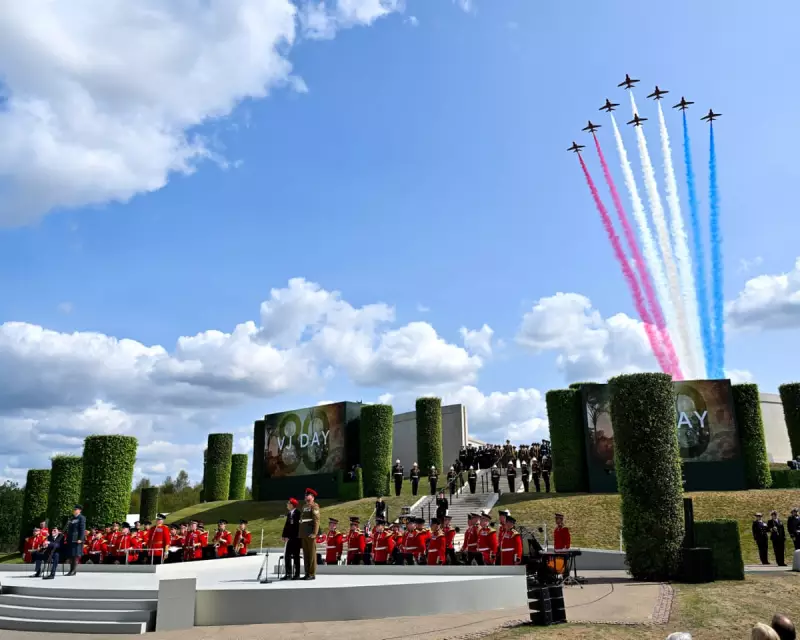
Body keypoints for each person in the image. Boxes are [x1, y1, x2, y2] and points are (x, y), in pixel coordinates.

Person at [300, 488, 321, 580]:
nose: (305, 496)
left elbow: (316, 520)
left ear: (312, 497)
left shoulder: (314, 506)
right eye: (305, 495)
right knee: (306, 554)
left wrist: (314, 533)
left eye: (307, 495)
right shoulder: (304, 506)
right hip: (304, 533)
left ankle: (312, 574)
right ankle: (307, 573)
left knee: (312, 554)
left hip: (310, 533)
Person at [281, 497, 301, 580]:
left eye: (288, 503)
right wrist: (284, 535)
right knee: (287, 556)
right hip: (289, 539)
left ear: (292, 505)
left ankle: (297, 574)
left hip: (296, 538)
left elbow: (298, 527)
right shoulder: (289, 513)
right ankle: (288, 573)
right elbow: (287, 526)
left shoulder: (298, 513)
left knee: (296, 556)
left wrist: (294, 537)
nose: (287, 505)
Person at [64, 504, 86, 576]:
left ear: (79, 510)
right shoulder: (72, 518)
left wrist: (80, 538)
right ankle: (71, 570)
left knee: (75, 555)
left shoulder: (81, 518)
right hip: (70, 539)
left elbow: (82, 529)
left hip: (77, 539)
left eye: (75, 509)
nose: (74, 510)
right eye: (74, 509)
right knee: (71, 555)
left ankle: (73, 570)